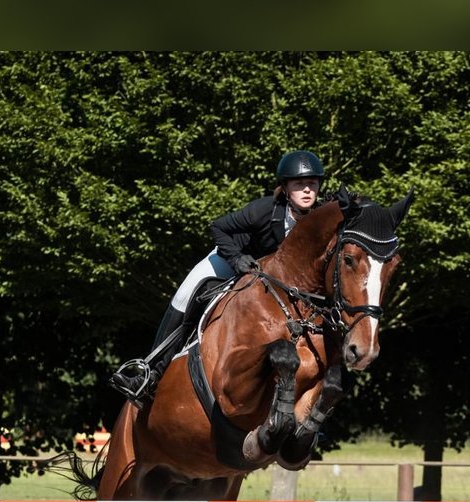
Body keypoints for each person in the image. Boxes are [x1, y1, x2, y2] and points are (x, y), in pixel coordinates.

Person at [110, 149, 326, 406]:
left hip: (273, 277)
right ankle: (149, 372)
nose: (306, 190)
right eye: (299, 184)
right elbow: (219, 226)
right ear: (285, 188)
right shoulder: (264, 210)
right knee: (186, 293)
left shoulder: (319, 218)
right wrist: (236, 259)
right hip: (229, 260)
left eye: (312, 184)